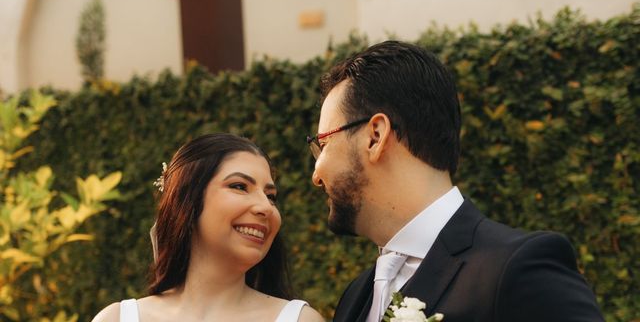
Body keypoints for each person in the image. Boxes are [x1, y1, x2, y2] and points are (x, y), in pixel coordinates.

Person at [308, 41, 604, 322]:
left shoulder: (519, 270)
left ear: (375, 136)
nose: (316, 176)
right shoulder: (355, 298)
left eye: (323, 145)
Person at [93, 133, 324, 322]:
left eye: (271, 196)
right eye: (240, 186)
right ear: (188, 199)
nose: (266, 207)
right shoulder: (118, 318)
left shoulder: (300, 319)